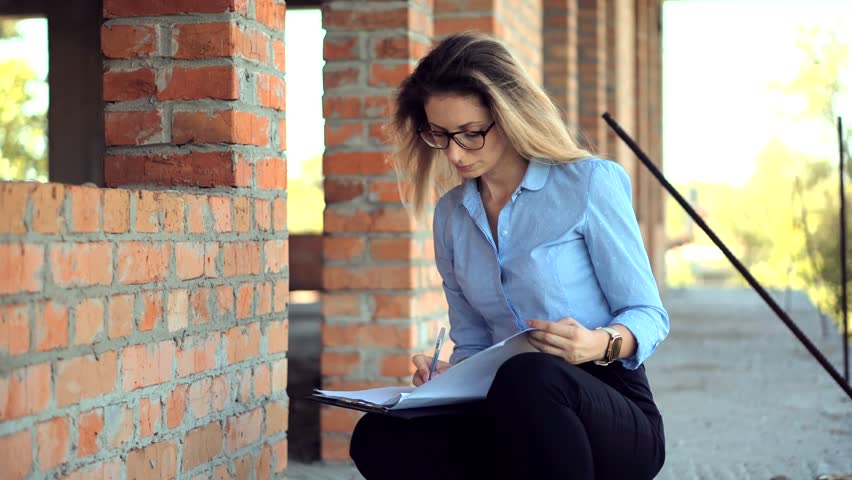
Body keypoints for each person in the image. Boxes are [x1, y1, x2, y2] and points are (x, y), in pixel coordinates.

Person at [348, 31, 669, 480]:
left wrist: (597, 343)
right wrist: (448, 376)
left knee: (530, 376)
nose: (455, 153)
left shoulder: (588, 184)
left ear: (510, 115)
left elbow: (649, 314)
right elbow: (475, 341)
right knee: (377, 435)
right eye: (440, 134)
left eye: (471, 133)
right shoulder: (452, 215)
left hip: (607, 407)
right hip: (502, 400)